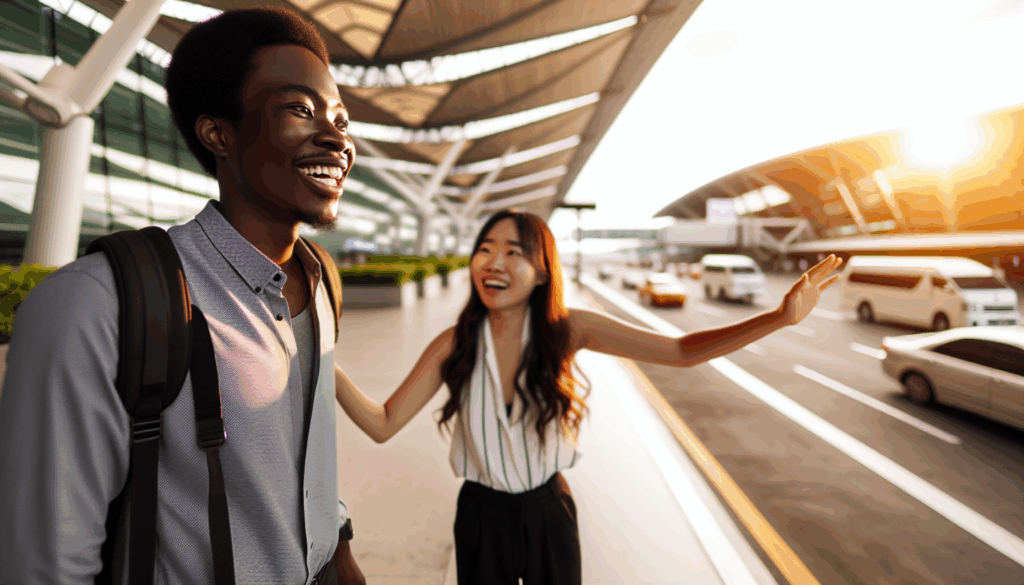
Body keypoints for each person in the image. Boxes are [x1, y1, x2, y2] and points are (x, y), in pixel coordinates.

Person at [0, 6, 367, 584]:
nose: (336, 137)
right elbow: (45, 565)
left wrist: (337, 547)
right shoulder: (96, 305)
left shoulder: (320, 280)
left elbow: (305, 454)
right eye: (301, 109)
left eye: (340, 119)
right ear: (217, 133)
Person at [332, 208, 843, 584]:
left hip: (548, 510)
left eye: (514, 252)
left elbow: (682, 351)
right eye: (485, 249)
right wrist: (321, 361)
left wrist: (778, 317)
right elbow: (383, 424)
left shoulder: (568, 331)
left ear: (542, 270)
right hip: (481, 517)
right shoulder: (454, 346)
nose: (494, 262)